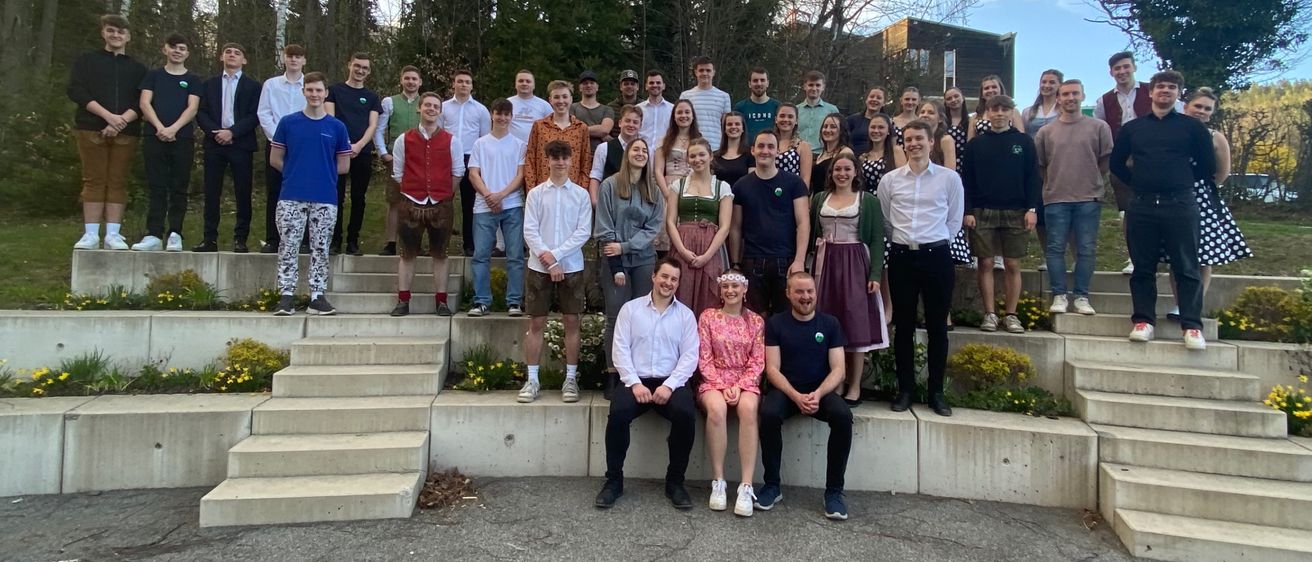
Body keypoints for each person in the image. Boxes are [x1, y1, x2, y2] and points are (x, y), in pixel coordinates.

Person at [1110, 70, 1214, 350]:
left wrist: (1179, 182)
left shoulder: (1192, 128)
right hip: (1142, 204)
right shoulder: (1133, 129)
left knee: (1187, 266)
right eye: (1160, 87)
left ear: (1178, 93)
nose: (1165, 91)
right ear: (1151, 92)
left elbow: (1206, 165)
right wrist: (1141, 184)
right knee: (1143, 267)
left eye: (1171, 87)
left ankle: (1192, 325)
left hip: (1180, 203)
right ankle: (1144, 321)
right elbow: (1117, 164)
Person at [595, 259, 700, 511]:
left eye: (674, 279)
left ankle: (675, 482)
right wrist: (634, 383)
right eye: (664, 276)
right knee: (618, 414)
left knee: (686, 415)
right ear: (653, 277)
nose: (668, 283)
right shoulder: (630, 310)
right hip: (636, 381)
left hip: (670, 382)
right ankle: (614, 481)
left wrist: (670, 385)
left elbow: (690, 356)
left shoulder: (685, 315)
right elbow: (619, 350)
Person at [878, 120, 963, 417]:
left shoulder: (949, 179)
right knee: (903, 327)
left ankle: (936, 392)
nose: (914, 144)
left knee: (938, 327)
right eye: (909, 139)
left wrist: (933, 243)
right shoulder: (890, 181)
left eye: (919, 139)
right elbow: (887, 222)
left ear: (931, 142)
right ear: (903, 144)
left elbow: (954, 220)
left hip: (936, 257)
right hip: (902, 258)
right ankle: (905, 390)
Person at [755, 272, 852, 521]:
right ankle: (772, 485)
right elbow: (772, 369)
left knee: (842, 416)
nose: (805, 297)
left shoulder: (830, 324)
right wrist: (796, 396)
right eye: (799, 292)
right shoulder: (776, 324)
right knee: (768, 414)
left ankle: (833, 493)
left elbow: (839, 369)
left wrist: (817, 394)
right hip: (787, 391)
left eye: (809, 291)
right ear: (788, 294)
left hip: (820, 391)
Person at [1162, 88, 1252, 317]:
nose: (1201, 111)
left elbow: (1222, 173)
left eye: (1206, 109)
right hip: (1170, 197)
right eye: (1197, 106)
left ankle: (1193, 305)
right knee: (1176, 254)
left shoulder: (1215, 137)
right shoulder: (1170, 132)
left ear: (1211, 114)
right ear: (1186, 106)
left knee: (1203, 254)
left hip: (1202, 199)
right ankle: (1179, 302)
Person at [268, 71, 351, 316]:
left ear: (326, 93)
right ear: (304, 91)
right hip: (291, 195)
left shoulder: (336, 127)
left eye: (319, 90)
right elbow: (275, 159)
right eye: (310, 90)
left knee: (321, 246)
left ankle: (317, 295)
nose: (315, 94)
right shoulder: (288, 123)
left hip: (325, 197)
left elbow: (344, 165)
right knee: (289, 245)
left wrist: (322, 176)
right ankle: (286, 295)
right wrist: (296, 173)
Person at [809, 153, 887, 405]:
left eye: (847, 169)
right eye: (837, 169)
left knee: (854, 323)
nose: (842, 173)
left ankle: (854, 385)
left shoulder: (868, 201)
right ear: (831, 173)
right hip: (825, 262)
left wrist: (875, 273)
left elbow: (876, 239)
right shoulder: (820, 198)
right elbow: (812, 232)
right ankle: (836, 381)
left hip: (854, 262)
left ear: (856, 173)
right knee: (829, 320)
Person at [519, 141, 592, 404]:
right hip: (539, 266)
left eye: (565, 157)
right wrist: (548, 261)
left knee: (572, 321)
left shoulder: (581, 195)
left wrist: (558, 256)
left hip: (571, 266)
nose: (560, 162)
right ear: (547, 160)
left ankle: (571, 379)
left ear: (572, 160)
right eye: (555, 157)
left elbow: (583, 232)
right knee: (536, 323)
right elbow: (530, 230)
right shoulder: (536, 194)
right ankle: (532, 379)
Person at [1096, 52, 1181, 275]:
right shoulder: (1104, 101)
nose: (1122, 71)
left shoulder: (1153, 91)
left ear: (1134, 67)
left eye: (1125, 67)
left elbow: (1179, 118)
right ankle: (1135, 256)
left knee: (1163, 209)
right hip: (1123, 160)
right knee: (1129, 212)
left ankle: (1165, 255)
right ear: (1111, 72)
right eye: (1117, 68)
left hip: (1156, 159)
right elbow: (1101, 131)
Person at [961, 95, 1040, 334]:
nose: (999, 114)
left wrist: (1031, 208)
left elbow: (1033, 177)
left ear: (1010, 113)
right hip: (983, 210)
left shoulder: (1024, 141)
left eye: (1004, 109)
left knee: (1012, 263)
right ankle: (990, 314)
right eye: (994, 109)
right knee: (984, 262)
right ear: (987, 113)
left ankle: (1011, 314)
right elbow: (967, 179)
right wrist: (968, 210)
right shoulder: (976, 144)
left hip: (1016, 210)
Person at [68, 14, 148, 251]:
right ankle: (90, 234)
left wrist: (121, 121)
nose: (116, 35)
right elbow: (76, 91)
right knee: (94, 179)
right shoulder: (87, 61)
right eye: (111, 31)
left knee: (117, 180)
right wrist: (108, 117)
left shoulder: (138, 68)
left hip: (127, 130)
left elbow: (142, 101)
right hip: (91, 127)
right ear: (103, 33)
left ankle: (113, 234)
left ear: (128, 36)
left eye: (121, 32)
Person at [1035, 80, 1113, 315]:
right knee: (1055, 247)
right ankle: (1059, 294)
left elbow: (1105, 160)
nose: (1070, 98)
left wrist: (1091, 179)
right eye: (1065, 94)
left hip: (1088, 197)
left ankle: (1081, 296)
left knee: (1086, 249)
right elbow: (1040, 165)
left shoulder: (1099, 127)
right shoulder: (1045, 132)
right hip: (1056, 198)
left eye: (1075, 93)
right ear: (1058, 98)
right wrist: (1053, 182)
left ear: (1082, 96)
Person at [387, 92, 465, 317]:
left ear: (440, 111)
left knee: (440, 253)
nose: (431, 109)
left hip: (441, 204)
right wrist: (413, 191)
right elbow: (398, 172)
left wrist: (444, 194)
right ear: (419, 109)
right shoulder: (404, 139)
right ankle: (403, 300)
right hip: (411, 201)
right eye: (427, 105)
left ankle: (441, 300)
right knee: (407, 253)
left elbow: (458, 172)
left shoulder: (452, 141)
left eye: (435, 106)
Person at [596, 138, 665, 385]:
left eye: (644, 150)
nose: (640, 153)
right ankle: (613, 374)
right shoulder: (610, 185)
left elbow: (654, 227)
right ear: (627, 155)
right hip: (615, 260)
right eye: (636, 149)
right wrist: (617, 253)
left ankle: (638, 373)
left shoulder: (654, 190)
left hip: (644, 259)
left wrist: (627, 245)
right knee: (615, 315)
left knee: (643, 315)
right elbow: (604, 224)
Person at [696, 270, 764, 516]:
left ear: (744, 290)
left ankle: (746, 485)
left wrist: (741, 384)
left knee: (748, 409)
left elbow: (757, 360)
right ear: (720, 290)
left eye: (735, 287)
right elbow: (704, 357)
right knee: (716, 409)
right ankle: (719, 481)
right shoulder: (708, 317)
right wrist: (721, 385)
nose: (730, 291)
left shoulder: (755, 322)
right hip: (714, 379)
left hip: (745, 381)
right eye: (726, 287)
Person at [729, 129, 810, 316]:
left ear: (777, 151)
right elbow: (735, 228)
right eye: (761, 146)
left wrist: (799, 259)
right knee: (755, 319)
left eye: (771, 146)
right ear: (753, 150)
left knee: (786, 317)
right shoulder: (741, 185)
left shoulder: (794, 183)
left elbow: (803, 223)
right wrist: (735, 263)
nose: (765, 151)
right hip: (752, 261)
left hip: (786, 261)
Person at [132, 32, 200, 253]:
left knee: (179, 187)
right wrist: (160, 127)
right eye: (173, 47)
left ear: (187, 53)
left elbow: (192, 108)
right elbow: (144, 103)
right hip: (154, 136)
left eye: (181, 48)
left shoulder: (192, 79)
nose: (177, 51)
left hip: (182, 138)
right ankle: (153, 233)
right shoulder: (153, 76)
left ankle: (175, 233)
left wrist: (173, 129)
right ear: (165, 50)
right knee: (157, 186)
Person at [194, 42, 261, 253]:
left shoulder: (253, 86)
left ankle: (240, 239)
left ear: (244, 60)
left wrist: (232, 132)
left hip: (241, 144)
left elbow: (255, 115)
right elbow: (200, 112)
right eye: (228, 52)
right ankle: (209, 239)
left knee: (243, 192)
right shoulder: (209, 84)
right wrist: (216, 132)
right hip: (215, 143)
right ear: (221, 57)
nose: (232, 55)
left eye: (237, 52)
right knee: (212, 192)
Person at [467, 98, 527, 318]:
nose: (502, 118)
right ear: (492, 115)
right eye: (498, 113)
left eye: (506, 114)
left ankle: (514, 302)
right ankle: (481, 301)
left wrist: (501, 195)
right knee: (481, 255)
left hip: (511, 205)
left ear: (511, 117)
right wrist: (488, 195)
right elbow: (473, 173)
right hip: (483, 206)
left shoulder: (520, 145)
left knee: (515, 256)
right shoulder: (480, 144)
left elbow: (521, 175)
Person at [325, 53, 382, 256]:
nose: (360, 71)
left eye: (365, 68)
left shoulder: (373, 97)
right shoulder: (333, 91)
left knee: (359, 198)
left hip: (363, 152)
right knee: (336, 197)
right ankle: (335, 240)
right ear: (349, 65)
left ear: (368, 71)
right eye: (357, 66)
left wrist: (358, 145)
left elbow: (373, 125)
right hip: (337, 151)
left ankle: (353, 241)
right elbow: (330, 119)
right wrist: (345, 145)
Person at [668, 138, 733, 316]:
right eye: (693, 156)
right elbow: (670, 221)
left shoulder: (722, 187)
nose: (698, 159)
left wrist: (707, 256)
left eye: (702, 154)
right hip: (683, 245)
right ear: (688, 159)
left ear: (711, 156)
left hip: (710, 247)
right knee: (682, 293)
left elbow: (725, 226)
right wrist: (681, 250)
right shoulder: (678, 186)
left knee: (708, 300)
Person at [256, 44, 308, 254]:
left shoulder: (310, 85)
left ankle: (304, 240)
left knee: (305, 194)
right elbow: (264, 113)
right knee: (275, 192)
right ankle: (273, 239)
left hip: (304, 146)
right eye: (290, 56)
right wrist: (279, 138)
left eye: (298, 56)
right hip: (276, 144)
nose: (294, 60)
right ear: (284, 59)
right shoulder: (271, 85)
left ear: (304, 60)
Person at [374, 66, 424, 257]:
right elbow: (379, 129)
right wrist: (383, 153)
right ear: (401, 80)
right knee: (394, 201)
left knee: (421, 203)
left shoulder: (426, 102)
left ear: (420, 82)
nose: (411, 82)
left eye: (414, 79)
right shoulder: (390, 102)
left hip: (420, 160)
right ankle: (391, 242)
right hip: (396, 158)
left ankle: (416, 243)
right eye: (407, 78)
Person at [441, 69, 491, 257]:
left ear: (472, 86)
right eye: (460, 81)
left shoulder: (480, 110)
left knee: (470, 203)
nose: (463, 85)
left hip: (471, 159)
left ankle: (469, 244)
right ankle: (440, 243)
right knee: (443, 201)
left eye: (467, 82)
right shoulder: (443, 107)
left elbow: (485, 138)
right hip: (446, 157)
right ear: (453, 84)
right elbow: (437, 133)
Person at [917, 99, 970, 270]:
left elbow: (950, 171)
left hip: (939, 195)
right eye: (922, 112)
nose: (925, 115)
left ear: (940, 118)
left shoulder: (945, 139)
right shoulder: (913, 138)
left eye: (930, 112)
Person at [860, 113, 904, 317]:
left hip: (890, 208)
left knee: (887, 261)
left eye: (881, 127)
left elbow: (904, 180)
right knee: (875, 258)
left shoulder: (896, 152)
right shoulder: (863, 156)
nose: (876, 131)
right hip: (869, 208)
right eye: (873, 127)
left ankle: (889, 307)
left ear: (888, 131)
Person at [524, 80, 591, 190]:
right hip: (543, 190)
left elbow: (586, 163)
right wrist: (532, 190)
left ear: (571, 99)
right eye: (556, 97)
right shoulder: (539, 126)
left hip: (572, 191)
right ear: (550, 100)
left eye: (565, 97)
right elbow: (530, 160)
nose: (561, 101)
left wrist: (581, 191)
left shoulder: (581, 128)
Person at [589, 105, 643, 205]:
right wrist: (595, 201)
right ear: (620, 123)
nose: (631, 125)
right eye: (627, 121)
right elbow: (596, 176)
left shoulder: (644, 151)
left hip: (636, 204)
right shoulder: (604, 148)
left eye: (635, 122)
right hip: (609, 202)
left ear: (640, 126)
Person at [679, 56, 732, 151]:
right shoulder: (685, 96)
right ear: (696, 72)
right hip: (691, 147)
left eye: (708, 70)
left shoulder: (724, 97)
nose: (705, 73)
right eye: (701, 70)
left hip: (716, 148)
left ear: (713, 72)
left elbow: (726, 126)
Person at [654, 99, 701, 197]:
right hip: (669, 188)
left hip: (693, 190)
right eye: (679, 112)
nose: (683, 115)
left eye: (687, 112)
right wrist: (667, 195)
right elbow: (658, 171)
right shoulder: (663, 141)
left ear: (693, 116)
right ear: (674, 117)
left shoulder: (700, 141)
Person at [968, 75, 1026, 140]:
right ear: (982, 94)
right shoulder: (975, 116)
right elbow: (970, 141)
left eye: (994, 87)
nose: (990, 90)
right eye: (986, 88)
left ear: (1001, 90)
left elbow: (1021, 137)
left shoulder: (1014, 112)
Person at [797, 70, 840, 155]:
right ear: (804, 86)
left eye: (818, 85)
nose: (814, 88)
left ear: (823, 87)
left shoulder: (832, 110)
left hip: (823, 155)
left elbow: (839, 135)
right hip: (799, 154)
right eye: (811, 85)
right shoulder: (796, 110)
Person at [571, 70, 615, 151]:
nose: (588, 85)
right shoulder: (572, 107)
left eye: (592, 83)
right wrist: (597, 131)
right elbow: (571, 130)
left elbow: (605, 130)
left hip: (601, 154)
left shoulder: (607, 109)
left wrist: (580, 130)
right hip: (577, 152)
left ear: (597, 87)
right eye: (585, 83)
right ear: (580, 88)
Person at [810, 112, 854, 193]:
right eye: (825, 126)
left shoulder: (845, 152)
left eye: (833, 127)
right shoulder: (821, 155)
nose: (828, 130)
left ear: (841, 130)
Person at [734, 67, 780, 142]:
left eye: (762, 80)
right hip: (746, 151)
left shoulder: (777, 106)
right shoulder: (740, 107)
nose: (759, 83)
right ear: (749, 84)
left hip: (770, 150)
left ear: (767, 83)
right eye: (755, 81)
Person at [772, 103, 813, 187]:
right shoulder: (769, 144)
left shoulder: (802, 146)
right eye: (782, 116)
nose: (786, 119)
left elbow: (805, 179)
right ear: (776, 119)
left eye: (790, 117)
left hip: (792, 193)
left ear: (796, 120)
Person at [711, 112, 755, 188]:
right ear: (724, 129)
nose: (733, 127)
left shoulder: (751, 154)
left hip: (742, 198)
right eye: (729, 124)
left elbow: (752, 183)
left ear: (743, 128)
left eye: (737, 124)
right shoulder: (714, 156)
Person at [509, 70, 552, 142]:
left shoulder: (544, 106)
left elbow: (552, 129)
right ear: (515, 84)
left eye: (528, 81)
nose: (524, 83)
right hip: (512, 148)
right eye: (521, 81)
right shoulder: (508, 103)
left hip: (536, 148)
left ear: (534, 85)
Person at [637, 70, 674, 146]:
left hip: (665, 154)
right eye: (651, 83)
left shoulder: (673, 109)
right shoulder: (638, 109)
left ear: (663, 86)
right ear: (646, 86)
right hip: (642, 154)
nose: (655, 85)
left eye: (658, 83)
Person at [1022, 69, 1063, 136]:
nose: (1046, 86)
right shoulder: (1027, 112)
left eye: (1052, 82)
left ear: (1060, 85)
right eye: (1044, 82)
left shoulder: (1064, 111)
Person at [846, 87, 886, 154]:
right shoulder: (851, 120)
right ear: (866, 100)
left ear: (884, 103)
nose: (874, 99)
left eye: (878, 98)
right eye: (871, 96)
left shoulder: (888, 123)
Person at [606, 70, 641, 139]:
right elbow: (606, 132)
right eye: (626, 84)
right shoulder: (610, 108)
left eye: (632, 84)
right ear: (621, 87)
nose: (629, 86)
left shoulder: (644, 107)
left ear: (637, 87)